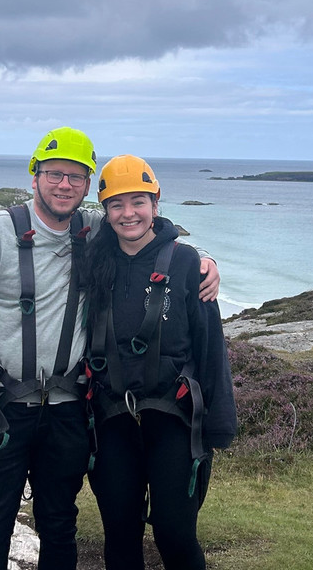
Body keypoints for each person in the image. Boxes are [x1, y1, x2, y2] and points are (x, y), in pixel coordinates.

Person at [0, 128, 220, 570]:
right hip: (1, 406)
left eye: (75, 176)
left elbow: (150, 238)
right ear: (35, 177)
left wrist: (202, 261)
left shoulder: (92, 231)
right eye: (53, 173)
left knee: (58, 522)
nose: (63, 184)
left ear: (87, 185)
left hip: (68, 410)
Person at [84, 154, 237, 570]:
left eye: (138, 201)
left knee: (174, 532)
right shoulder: (92, 258)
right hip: (112, 417)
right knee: (120, 534)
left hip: (174, 418)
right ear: (105, 210)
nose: (127, 213)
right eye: (116, 204)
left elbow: (210, 348)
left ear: (155, 203)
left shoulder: (188, 264)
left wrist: (217, 427)